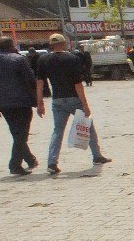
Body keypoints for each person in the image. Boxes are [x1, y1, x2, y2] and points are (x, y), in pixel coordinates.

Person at [36, 33, 110, 175]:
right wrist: (85, 104)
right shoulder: (72, 58)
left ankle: (52, 163)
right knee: (88, 128)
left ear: (51, 45)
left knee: (57, 131)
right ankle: (97, 156)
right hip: (74, 99)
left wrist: (39, 103)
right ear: (64, 44)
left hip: (57, 100)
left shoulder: (43, 59)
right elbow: (78, 84)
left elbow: (40, 83)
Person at [0, 35, 38, 175]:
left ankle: (30, 159)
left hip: (1, 104)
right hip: (21, 102)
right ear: (11, 45)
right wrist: (37, 99)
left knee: (17, 133)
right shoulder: (18, 59)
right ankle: (15, 165)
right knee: (21, 134)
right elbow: (30, 80)